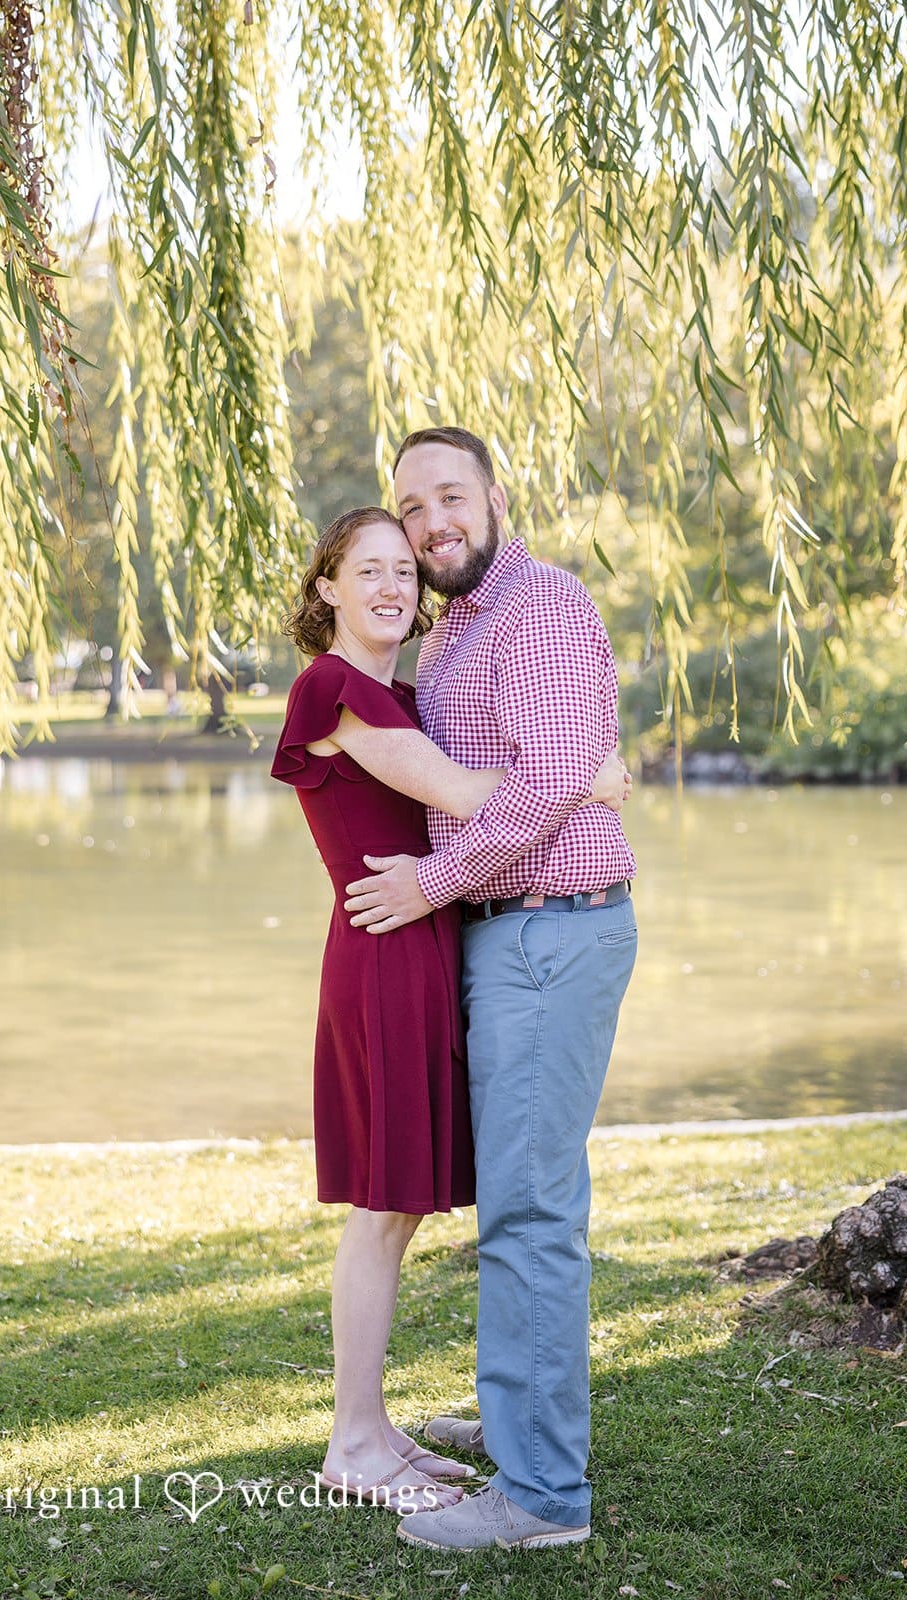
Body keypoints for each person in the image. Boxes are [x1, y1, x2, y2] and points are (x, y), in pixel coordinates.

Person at [271, 505, 631, 1516]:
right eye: (367, 569)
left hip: (421, 943)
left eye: (403, 571)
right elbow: (470, 795)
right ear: (327, 588)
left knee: (399, 1208)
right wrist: (588, 775)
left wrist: (551, 774)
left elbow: (482, 781)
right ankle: (351, 1442)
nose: (391, 585)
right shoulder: (334, 689)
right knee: (381, 1210)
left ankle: (374, 1427)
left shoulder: (402, 691)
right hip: (385, 952)